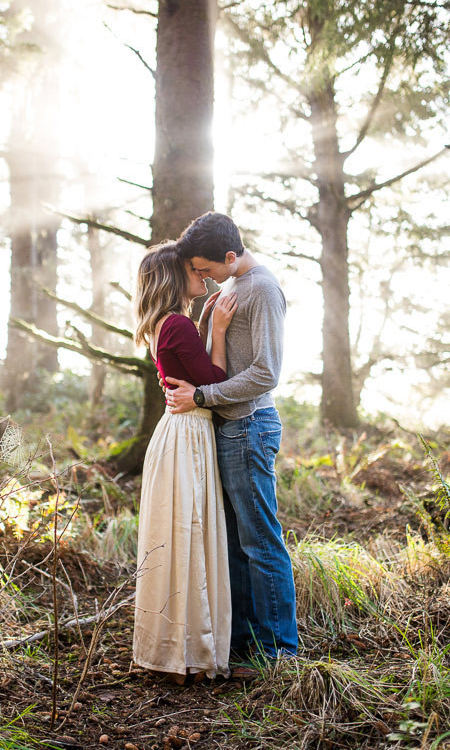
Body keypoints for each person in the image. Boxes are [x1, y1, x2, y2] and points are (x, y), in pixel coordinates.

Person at [165, 213, 298, 667]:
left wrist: (203, 395)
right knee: (235, 542)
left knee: (260, 540)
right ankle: (244, 645)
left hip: (251, 425)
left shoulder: (261, 288)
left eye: (205, 269)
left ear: (228, 256)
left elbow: (266, 373)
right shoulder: (227, 292)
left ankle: (281, 650)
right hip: (226, 428)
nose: (201, 277)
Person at [132, 241, 238, 683]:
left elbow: (195, 376)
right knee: (189, 533)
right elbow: (215, 380)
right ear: (175, 276)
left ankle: (178, 647)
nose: (203, 273)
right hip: (188, 431)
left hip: (182, 430)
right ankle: (189, 652)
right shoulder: (176, 323)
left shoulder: (168, 323)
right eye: (193, 269)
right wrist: (216, 332)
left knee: (181, 533)